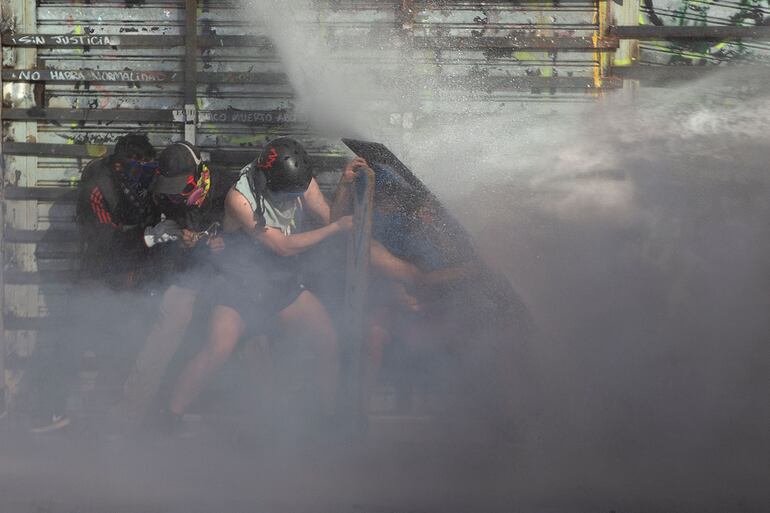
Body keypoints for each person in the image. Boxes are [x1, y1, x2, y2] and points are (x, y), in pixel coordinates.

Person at [166, 137, 353, 429]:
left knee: (327, 340)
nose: (291, 197)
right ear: (267, 180)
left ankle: (329, 422)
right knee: (219, 348)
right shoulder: (240, 197)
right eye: (284, 193)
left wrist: (343, 186)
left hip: (279, 281)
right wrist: (334, 229)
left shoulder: (302, 180)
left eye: (296, 192)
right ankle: (168, 418)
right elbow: (282, 246)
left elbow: (334, 218)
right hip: (239, 283)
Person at [28, 133, 160, 433]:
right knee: (73, 337)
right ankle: (51, 409)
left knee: (128, 341)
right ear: (119, 166)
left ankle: (105, 412)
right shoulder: (98, 187)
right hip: (100, 271)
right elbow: (104, 238)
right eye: (136, 167)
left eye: (147, 167)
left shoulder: (150, 179)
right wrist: (143, 238)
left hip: (136, 273)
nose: (143, 173)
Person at [116, 141, 234, 431]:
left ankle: (261, 418)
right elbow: (148, 233)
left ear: (199, 173)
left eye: (182, 185)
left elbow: (253, 232)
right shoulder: (161, 193)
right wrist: (180, 236)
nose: (176, 193)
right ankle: (130, 415)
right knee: (166, 328)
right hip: (187, 272)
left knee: (247, 331)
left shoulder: (227, 185)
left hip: (229, 273)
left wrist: (226, 243)